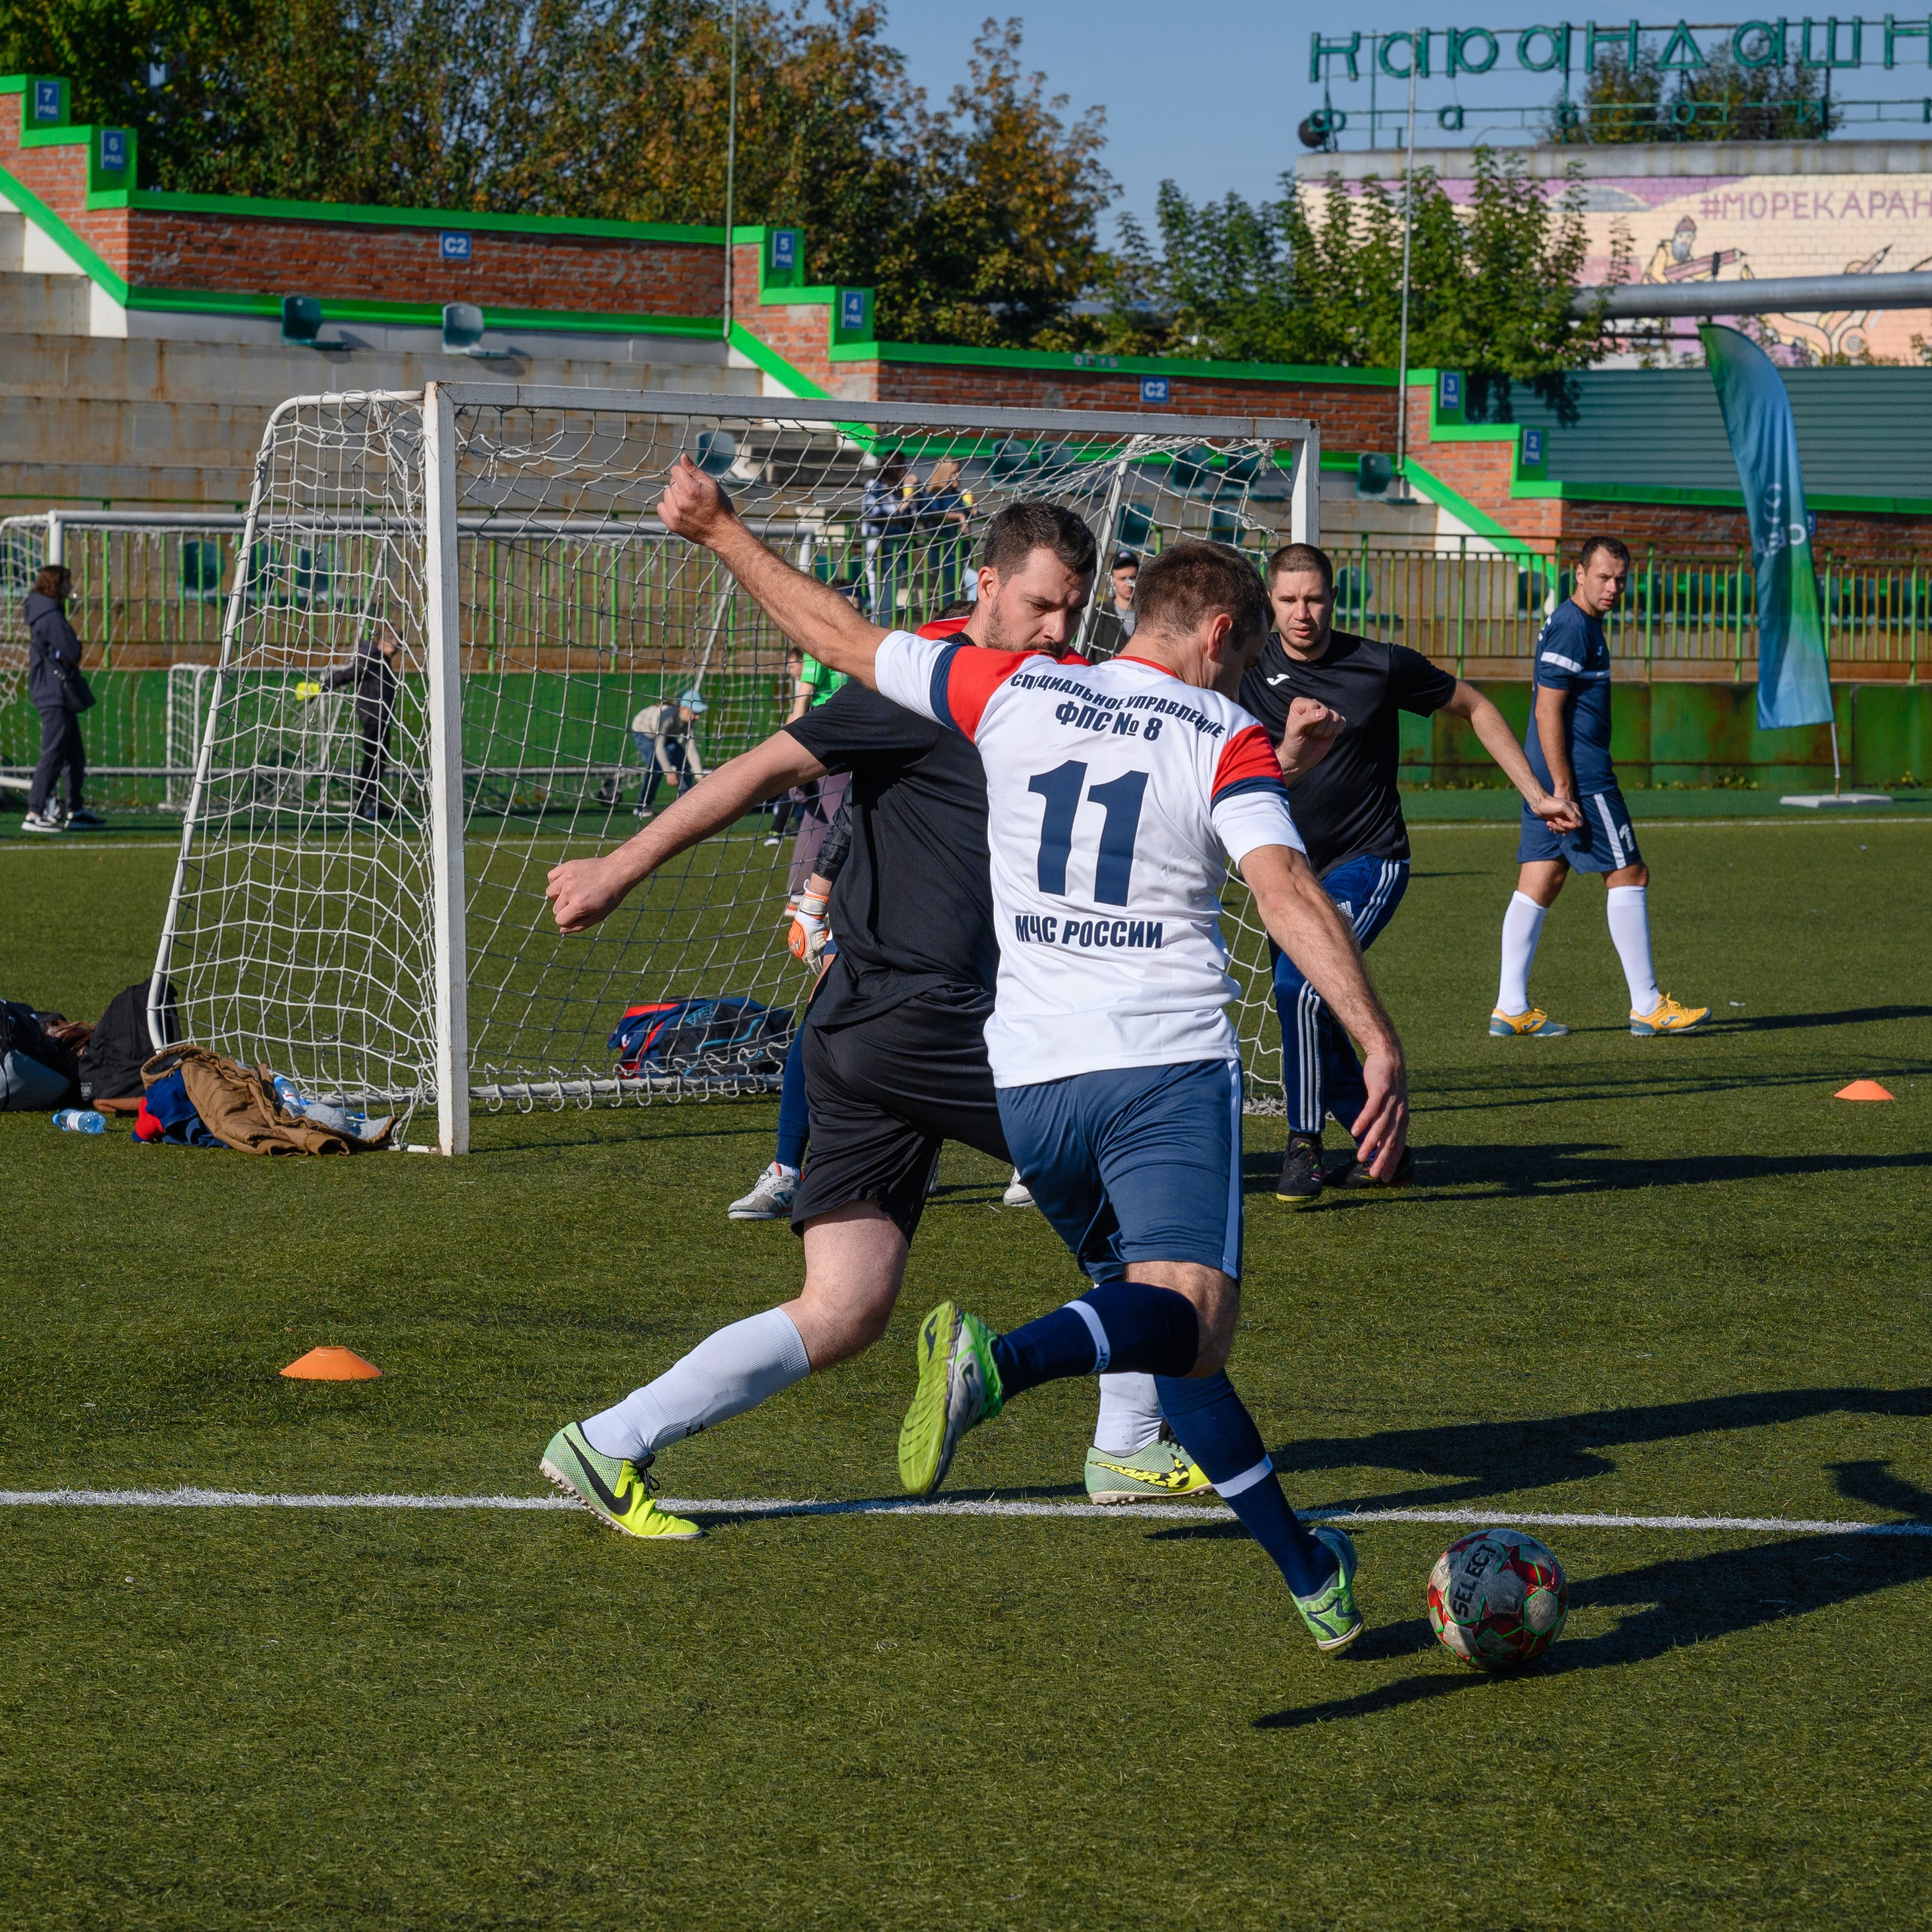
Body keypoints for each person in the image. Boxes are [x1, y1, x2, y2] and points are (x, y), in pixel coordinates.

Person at [628, 469, 1409, 1654]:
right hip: (1155, 1068)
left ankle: (1306, 1573)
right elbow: (1283, 884)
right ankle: (1001, 1366)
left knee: (1166, 1327)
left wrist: (723, 532)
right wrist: (1375, 1035)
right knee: (1184, 1318)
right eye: (1244, 654)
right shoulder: (1223, 729)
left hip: (1034, 1084)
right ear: (1217, 634)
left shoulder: (1013, 688)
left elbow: (839, 633)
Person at [540, 497, 1190, 1535]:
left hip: (856, 1035)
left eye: (1072, 611)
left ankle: (608, 1440)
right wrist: (619, 867)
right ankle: (1129, 1443)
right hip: (918, 1016)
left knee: (844, 1308)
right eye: (1038, 606)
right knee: (1140, 1189)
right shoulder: (919, 684)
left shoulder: (1046, 687)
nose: (1058, 630)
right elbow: (763, 766)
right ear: (984, 584)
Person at [1240, 542, 1585, 1208]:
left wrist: (1536, 794)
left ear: (1334, 597)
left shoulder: (1378, 663)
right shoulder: (1251, 672)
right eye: (1287, 600)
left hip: (1371, 861)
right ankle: (1382, 1151)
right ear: (1270, 603)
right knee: (1305, 999)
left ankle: (1303, 1145)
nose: (1302, 613)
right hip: (1291, 873)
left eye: (1313, 598)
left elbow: (1477, 706)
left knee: (1302, 985)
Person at [1494, 535, 1709, 1040]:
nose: (1613, 587)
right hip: (1580, 778)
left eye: (1620, 579)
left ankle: (1510, 1006)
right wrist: (1564, 787)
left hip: (1550, 773)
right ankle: (1648, 1005)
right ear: (1580, 573)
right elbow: (1548, 710)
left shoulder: (1578, 622)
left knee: (1541, 880)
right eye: (1604, 577)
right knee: (1629, 873)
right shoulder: (1574, 627)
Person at [729, 791, 854, 1222]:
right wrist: (814, 902)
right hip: (880, 879)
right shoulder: (897, 728)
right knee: (821, 1016)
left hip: (968, 879)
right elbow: (854, 804)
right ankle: (786, 1168)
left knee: (972, 1017)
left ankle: (1029, 1162)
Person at [20, 565, 101, 833]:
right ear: (55, 584)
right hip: (53, 693)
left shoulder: (44, 612)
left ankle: (74, 810)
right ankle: (35, 812)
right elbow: (71, 649)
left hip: (55, 692)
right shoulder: (50, 615)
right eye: (67, 582)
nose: (71, 587)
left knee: (73, 755)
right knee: (53, 754)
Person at [319, 621, 401, 821]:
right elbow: (350, 674)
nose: (399, 649)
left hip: (381, 717)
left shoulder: (381, 658)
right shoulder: (372, 658)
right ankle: (366, 804)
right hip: (373, 717)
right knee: (372, 761)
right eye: (396, 644)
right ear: (383, 642)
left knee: (376, 761)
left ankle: (370, 802)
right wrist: (324, 685)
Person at [627, 690, 707, 819]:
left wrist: (700, 777)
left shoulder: (689, 723)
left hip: (665, 736)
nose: (697, 717)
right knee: (655, 765)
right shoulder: (668, 717)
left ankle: (684, 802)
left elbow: (691, 749)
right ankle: (642, 806)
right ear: (683, 709)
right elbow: (659, 747)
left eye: (699, 713)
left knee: (683, 762)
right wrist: (668, 772)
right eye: (695, 713)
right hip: (644, 732)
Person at [860, 451, 915, 621]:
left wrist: (914, 492)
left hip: (897, 554)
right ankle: (873, 645)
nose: (905, 471)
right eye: (903, 467)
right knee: (879, 604)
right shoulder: (874, 485)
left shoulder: (900, 489)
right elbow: (872, 512)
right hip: (878, 553)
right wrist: (901, 507)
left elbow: (915, 514)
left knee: (889, 607)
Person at [1084, 551, 1140, 661]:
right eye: (1123, 579)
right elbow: (1088, 654)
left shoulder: (1150, 614)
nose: (1129, 584)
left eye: (1133, 578)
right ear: (1112, 580)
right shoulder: (1099, 613)